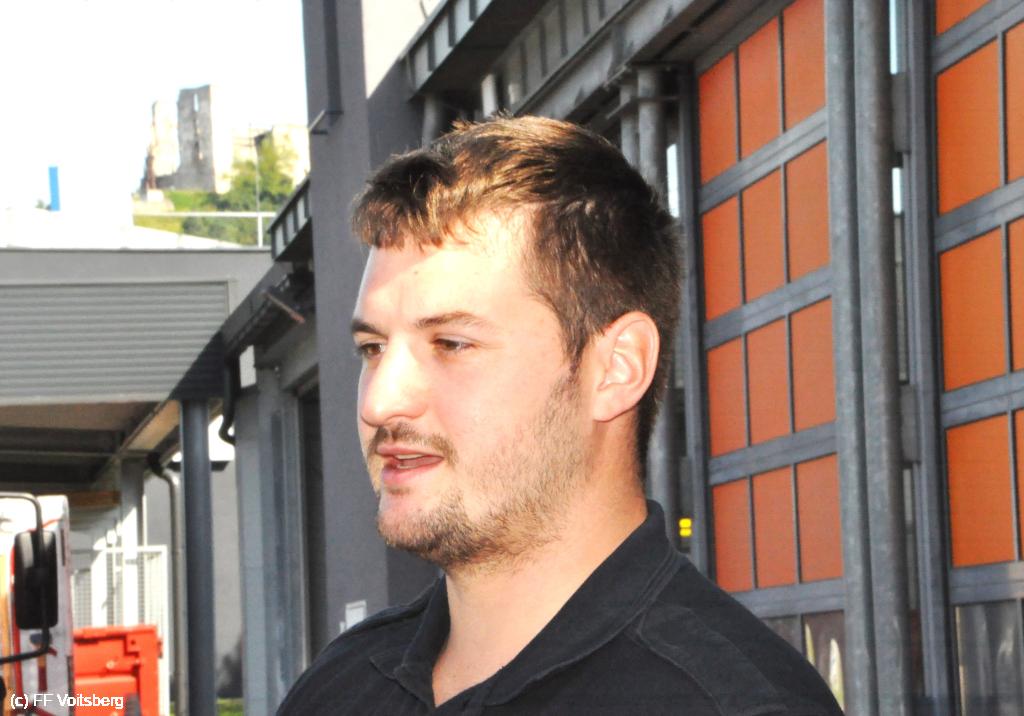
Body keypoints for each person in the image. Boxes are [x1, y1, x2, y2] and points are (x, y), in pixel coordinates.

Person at [277, 116, 843, 715]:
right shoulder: (339, 687)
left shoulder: (733, 704)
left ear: (616, 368)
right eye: (372, 348)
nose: (379, 402)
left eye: (451, 343)